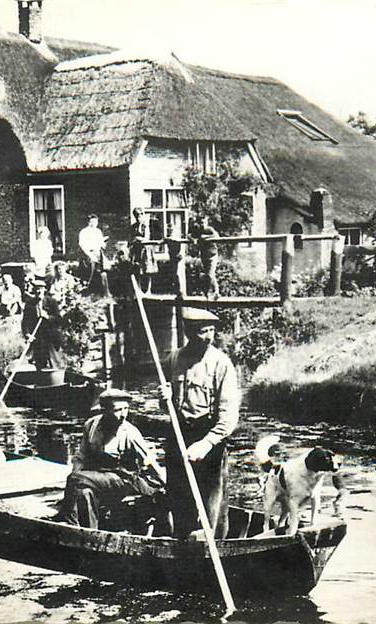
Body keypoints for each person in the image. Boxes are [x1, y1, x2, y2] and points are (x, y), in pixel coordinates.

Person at [159, 307, 240, 539]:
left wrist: (206, 444)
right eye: (203, 331)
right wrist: (165, 399)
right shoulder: (174, 358)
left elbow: (229, 416)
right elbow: (168, 407)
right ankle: (183, 547)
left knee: (212, 502)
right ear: (188, 332)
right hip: (179, 435)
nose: (209, 337)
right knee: (179, 494)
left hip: (209, 437)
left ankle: (212, 547)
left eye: (212, 330)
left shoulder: (221, 364)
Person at [55, 388, 166, 528]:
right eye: (118, 410)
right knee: (83, 492)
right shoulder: (91, 425)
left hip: (124, 479)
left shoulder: (129, 432)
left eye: (126, 409)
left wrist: (165, 482)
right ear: (104, 409)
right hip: (98, 477)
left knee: (75, 479)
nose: (123, 415)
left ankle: (68, 521)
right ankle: (90, 534)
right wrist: (78, 478)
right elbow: (81, 456)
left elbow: (149, 460)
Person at [21, 278, 65, 370]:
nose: (38, 291)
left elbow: (59, 320)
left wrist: (48, 317)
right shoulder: (29, 304)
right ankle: (42, 380)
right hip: (37, 337)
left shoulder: (52, 302)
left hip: (51, 336)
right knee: (40, 363)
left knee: (55, 363)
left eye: (40, 289)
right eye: (36, 289)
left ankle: (57, 379)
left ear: (44, 290)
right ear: (33, 290)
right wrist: (28, 334)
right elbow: (25, 322)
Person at [129, 207, 157, 293]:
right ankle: (139, 288)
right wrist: (134, 240)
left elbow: (146, 238)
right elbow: (131, 238)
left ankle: (149, 289)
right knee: (138, 269)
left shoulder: (146, 226)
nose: (139, 218)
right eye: (137, 216)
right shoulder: (133, 226)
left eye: (140, 216)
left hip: (146, 250)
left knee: (148, 270)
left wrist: (138, 238)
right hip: (137, 250)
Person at [191, 216, 220, 299]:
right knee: (209, 275)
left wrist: (204, 238)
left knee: (210, 275)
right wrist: (193, 239)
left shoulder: (209, 229)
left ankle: (213, 292)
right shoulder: (198, 230)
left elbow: (217, 236)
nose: (202, 224)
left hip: (212, 255)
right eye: (201, 223)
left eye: (204, 222)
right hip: (204, 255)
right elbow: (189, 235)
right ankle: (211, 293)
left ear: (206, 223)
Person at [77, 214, 107, 289]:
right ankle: (86, 287)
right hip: (87, 254)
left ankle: (98, 289)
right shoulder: (84, 232)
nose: (93, 224)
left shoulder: (98, 231)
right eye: (92, 222)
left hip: (97, 253)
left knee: (101, 271)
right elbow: (82, 245)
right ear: (88, 222)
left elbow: (100, 242)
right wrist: (89, 254)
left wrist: (103, 244)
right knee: (90, 269)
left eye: (95, 222)